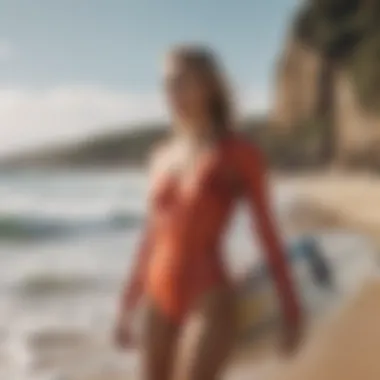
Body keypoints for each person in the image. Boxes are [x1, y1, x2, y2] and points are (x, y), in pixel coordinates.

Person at [114, 45, 302, 380]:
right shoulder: (161, 155)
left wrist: (290, 306)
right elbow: (151, 237)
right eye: (167, 85)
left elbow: (266, 230)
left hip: (209, 295)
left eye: (182, 82)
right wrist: (128, 304)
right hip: (158, 296)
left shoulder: (240, 153)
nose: (172, 93)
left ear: (209, 85)